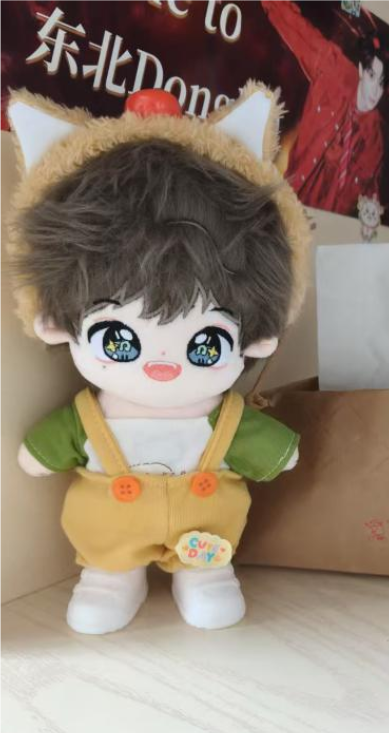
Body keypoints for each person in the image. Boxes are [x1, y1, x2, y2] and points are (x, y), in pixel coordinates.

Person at [8, 85, 311, 635]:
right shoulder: (87, 417)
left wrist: (282, 455)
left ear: (256, 338)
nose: (163, 367)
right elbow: (42, 451)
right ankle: (110, 579)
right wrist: (37, 454)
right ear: (57, 325)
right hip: (109, 542)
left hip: (206, 541)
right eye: (119, 341)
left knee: (209, 582)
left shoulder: (226, 419)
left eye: (205, 345)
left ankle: (205, 576)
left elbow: (276, 453)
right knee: (104, 581)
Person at [262, 0, 387, 216]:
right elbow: (297, 28)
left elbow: (369, 201)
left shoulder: (374, 142)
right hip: (290, 206)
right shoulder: (334, 71)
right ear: (360, 70)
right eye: (371, 76)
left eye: (382, 83)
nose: (375, 92)